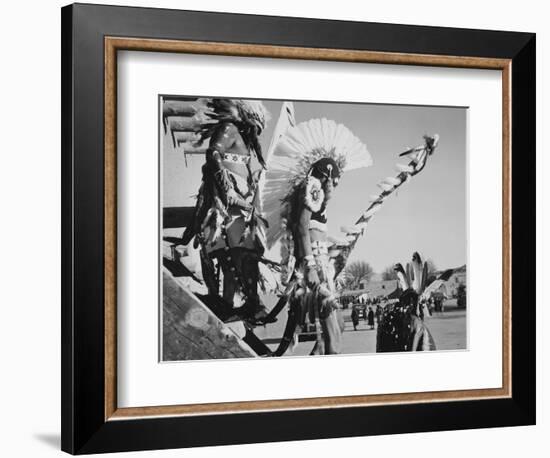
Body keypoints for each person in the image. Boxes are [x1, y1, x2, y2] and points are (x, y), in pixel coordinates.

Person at [260, 118, 372, 355]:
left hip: (322, 267)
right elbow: (301, 229)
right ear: (327, 176)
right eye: (334, 182)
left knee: (338, 325)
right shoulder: (310, 190)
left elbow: (312, 231)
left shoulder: (316, 195)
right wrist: (310, 267)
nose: (335, 187)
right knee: (333, 331)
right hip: (313, 270)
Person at [181, 98, 273, 324]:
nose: (256, 135)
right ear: (248, 119)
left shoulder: (240, 138)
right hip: (225, 208)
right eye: (256, 129)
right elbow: (213, 153)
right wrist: (227, 188)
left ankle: (233, 306)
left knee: (241, 257)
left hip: (240, 207)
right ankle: (242, 305)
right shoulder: (229, 128)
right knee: (237, 257)